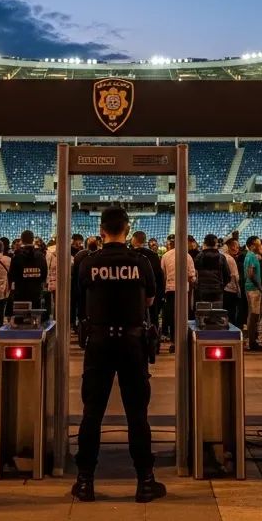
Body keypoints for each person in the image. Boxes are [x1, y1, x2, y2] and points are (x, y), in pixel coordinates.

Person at [72, 206, 165, 504]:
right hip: (132, 342)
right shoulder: (141, 262)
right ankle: (145, 481)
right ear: (127, 228)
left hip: (99, 342)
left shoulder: (88, 262)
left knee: (92, 414)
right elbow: (150, 299)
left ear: (101, 229)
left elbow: (80, 301)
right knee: (137, 415)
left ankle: (85, 481)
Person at [160, 236, 196, 352]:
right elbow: (192, 276)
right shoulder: (187, 256)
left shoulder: (165, 256)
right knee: (183, 317)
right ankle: (183, 343)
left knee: (172, 317)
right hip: (184, 291)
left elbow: (163, 275)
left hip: (170, 289)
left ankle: (174, 342)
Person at [131, 230, 164, 331]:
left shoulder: (129, 254)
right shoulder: (153, 255)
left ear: (134, 239)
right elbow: (159, 277)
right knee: (152, 321)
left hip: (133, 296)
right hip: (151, 295)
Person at [9, 229, 48, 307]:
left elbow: (12, 275)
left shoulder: (17, 256)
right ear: (33, 239)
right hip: (36, 292)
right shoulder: (40, 256)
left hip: (20, 293)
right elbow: (44, 274)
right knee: (35, 316)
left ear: (21, 240)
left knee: (19, 316)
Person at [194, 234, 229, 306]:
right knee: (217, 313)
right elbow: (227, 276)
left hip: (202, 290)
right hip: (217, 290)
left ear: (204, 243)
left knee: (203, 313)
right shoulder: (221, 257)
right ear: (216, 243)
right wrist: (221, 286)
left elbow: (194, 274)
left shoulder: (199, 256)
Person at [242, 236, 262, 351]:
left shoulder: (249, 256)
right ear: (251, 245)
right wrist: (259, 286)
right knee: (254, 315)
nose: (260, 246)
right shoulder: (252, 257)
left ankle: (252, 340)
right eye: (258, 244)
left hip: (250, 287)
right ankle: (252, 342)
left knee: (253, 315)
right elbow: (250, 274)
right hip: (253, 289)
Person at [222, 238, 241, 326]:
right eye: (236, 246)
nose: (237, 249)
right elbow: (235, 277)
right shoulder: (230, 259)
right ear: (231, 247)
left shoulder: (221, 256)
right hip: (231, 289)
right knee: (231, 313)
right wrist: (238, 290)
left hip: (222, 289)